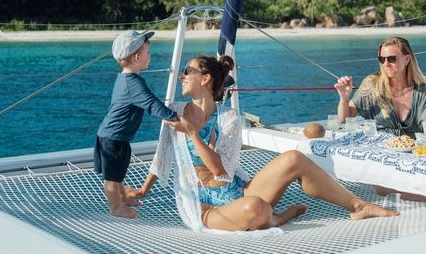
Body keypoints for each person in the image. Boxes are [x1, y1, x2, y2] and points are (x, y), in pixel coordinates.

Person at [131, 55, 397, 231]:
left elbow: (221, 172)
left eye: (187, 71)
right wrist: (142, 191)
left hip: (239, 191)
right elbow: (162, 155)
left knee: (293, 158)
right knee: (256, 208)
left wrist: (191, 133)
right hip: (203, 207)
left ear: (205, 78)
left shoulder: (228, 118)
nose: (181, 75)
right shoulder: (174, 111)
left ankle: (358, 206)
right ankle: (276, 217)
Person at [94, 30, 179, 218]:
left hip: (116, 136)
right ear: (137, 57)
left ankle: (123, 198)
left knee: (119, 172)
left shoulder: (125, 78)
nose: (150, 55)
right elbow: (151, 104)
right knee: (112, 177)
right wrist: (172, 116)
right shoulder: (133, 83)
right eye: (148, 52)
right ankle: (116, 207)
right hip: (112, 137)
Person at [334, 37, 426, 137]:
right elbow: (344, 119)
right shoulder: (372, 84)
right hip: (376, 145)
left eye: (392, 59)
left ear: (407, 59)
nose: (386, 64)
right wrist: (344, 98)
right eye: (382, 59)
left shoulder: (421, 91)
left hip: (410, 146)